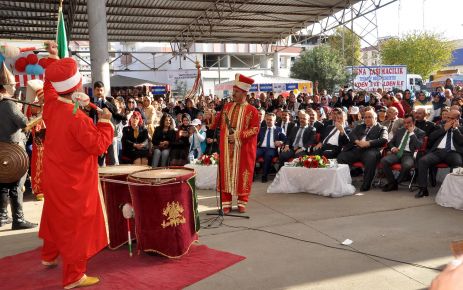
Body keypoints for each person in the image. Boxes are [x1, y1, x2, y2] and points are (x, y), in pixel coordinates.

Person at [39, 58, 114, 288]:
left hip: (53, 174)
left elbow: (49, 86)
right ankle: (74, 276)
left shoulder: (50, 105)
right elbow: (98, 146)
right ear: (76, 87)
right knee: (76, 226)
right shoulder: (77, 118)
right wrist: (104, 122)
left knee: (54, 214)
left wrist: (53, 64)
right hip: (74, 180)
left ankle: (49, 256)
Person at [210, 73, 260, 213]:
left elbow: (255, 129)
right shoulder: (227, 107)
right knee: (226, 173)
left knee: (243, 173)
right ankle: (226, 202)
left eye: (236, 92)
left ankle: (242, 201)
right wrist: (211, 116)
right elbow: (215, 124)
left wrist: (238, 136)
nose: (233, 94)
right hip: (226, 149)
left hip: (243, 149)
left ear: (244, 93)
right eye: (233, 91)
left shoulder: (253, 111)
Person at [0, 62, 37, 230]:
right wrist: (23, 111)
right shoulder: (8, 104)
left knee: (3, 184)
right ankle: (18, 219)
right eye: (14, 84)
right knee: (15, 185)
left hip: (2, 151)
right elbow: (24, 124)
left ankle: (2, 216)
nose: (15, 87)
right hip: (13, 151)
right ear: (7, 86)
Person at [415, 110, 463, 198]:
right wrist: (444, 129)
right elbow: (431, 137)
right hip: (437, 152)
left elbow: (461, 142)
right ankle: (423, 189)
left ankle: (452, 191)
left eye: (451, 118)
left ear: (457, 119)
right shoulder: (440, 126)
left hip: (453, 153)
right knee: (423, 161)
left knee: (458, 163)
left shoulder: (461, 128)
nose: (448, 119)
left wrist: (455, 129)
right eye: (447, 117)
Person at [337, 110, 388, 192]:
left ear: (375, 118)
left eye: (370, 117)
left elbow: (384, 139)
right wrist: (357, 142)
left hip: (370, 150)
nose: (367, 119)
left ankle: (366, 184)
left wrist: (368, 143)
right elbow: (351, 135)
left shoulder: (382, 128)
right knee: (341, 157)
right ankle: (344, 181)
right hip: (357, 148)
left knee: (370, 158)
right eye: (365, 117)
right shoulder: (360, 126)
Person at [380, 114, 425, 191]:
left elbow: (418, 146)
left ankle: (395, 184)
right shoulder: (400, 130)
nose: (406, 125)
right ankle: (392, 182)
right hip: (398, 152)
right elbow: (390, 143)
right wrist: (393, 148)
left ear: (414, 122)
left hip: (409, 154)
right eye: (405, 123)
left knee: (407, 165)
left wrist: (411, 133)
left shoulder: (420, 132)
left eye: (409, 122)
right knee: (384, 161)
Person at [93, 81, 125, 166]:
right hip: (96, 132)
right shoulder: (90, 101)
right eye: (97, 90)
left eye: (101, 90)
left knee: (112, 157)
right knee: (100, 157)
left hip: (110, 133)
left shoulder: (110, 100)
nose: (99, 92)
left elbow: (115, 111)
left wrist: (104, 100)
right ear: (94, 91)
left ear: (104, 91)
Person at [256, 113, 286, 183]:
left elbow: (285, 139)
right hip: (261, 148)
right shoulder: (261, 129)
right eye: (267, 119)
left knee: (268, 155)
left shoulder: (279, 129)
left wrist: (281, 142)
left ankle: (264, 175)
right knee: (252, 154)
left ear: (274, 121)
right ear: (265, 120)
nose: (268, 121)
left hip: (272, 149)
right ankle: (251, 175)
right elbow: (256, 140)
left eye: (270, 120)